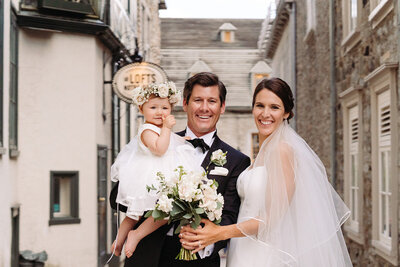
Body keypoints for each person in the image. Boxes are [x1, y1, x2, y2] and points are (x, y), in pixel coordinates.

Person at [179, 78, 353, 266]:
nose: (265, 114)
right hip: (243, 249)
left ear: (286, 113)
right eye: (260, 105)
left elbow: (272, 220)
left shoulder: (282, 151)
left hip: (265, 253)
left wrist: (219, 232)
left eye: (274, 107)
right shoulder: (260, 156)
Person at [110, 72, 251, 267]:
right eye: (197, 100)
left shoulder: (237, 160)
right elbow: (117, 196)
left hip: (198, 257)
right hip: (147, 254)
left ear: (222, 106)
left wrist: (207, 241)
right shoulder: (156, 141)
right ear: (185, 104)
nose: (204, 108)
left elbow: (229, 214)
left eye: (212, 101)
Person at [110, 81, 200, 258]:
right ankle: (133, 235)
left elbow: (172, 141)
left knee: (146, 213)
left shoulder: (159, 129)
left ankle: (118, 242)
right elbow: (160, 149)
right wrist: (167, 128)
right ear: (141, 109)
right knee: (148, 213)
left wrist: (183, 140)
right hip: (149, 178)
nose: (160, 112)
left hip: (159, 176)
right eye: (153, 107)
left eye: (165, 108)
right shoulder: (147, 130)